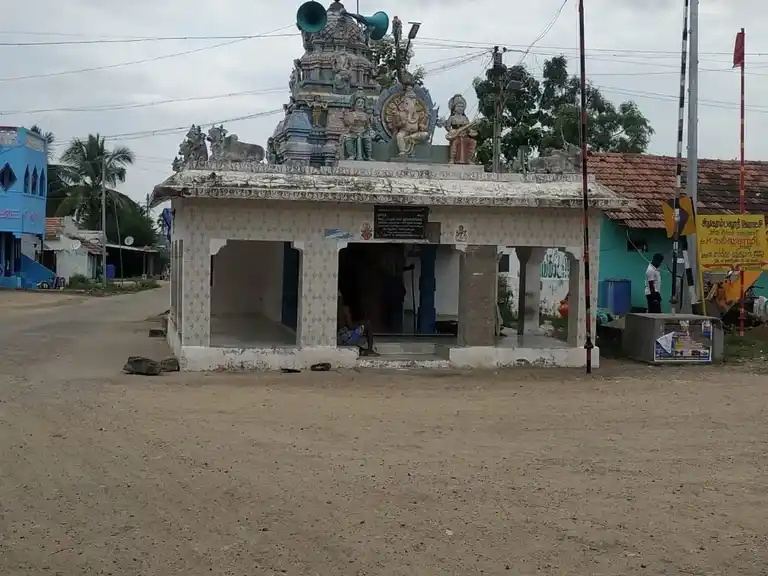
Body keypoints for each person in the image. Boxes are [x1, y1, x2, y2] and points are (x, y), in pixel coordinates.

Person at [337, 291, 378, 356]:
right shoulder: (345, 309)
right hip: (347, 338)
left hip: (339, 341)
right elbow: (350, 326)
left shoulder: (332, 311)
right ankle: (370, 350)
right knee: (368, 324)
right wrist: (360, 323)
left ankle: (362, 351)